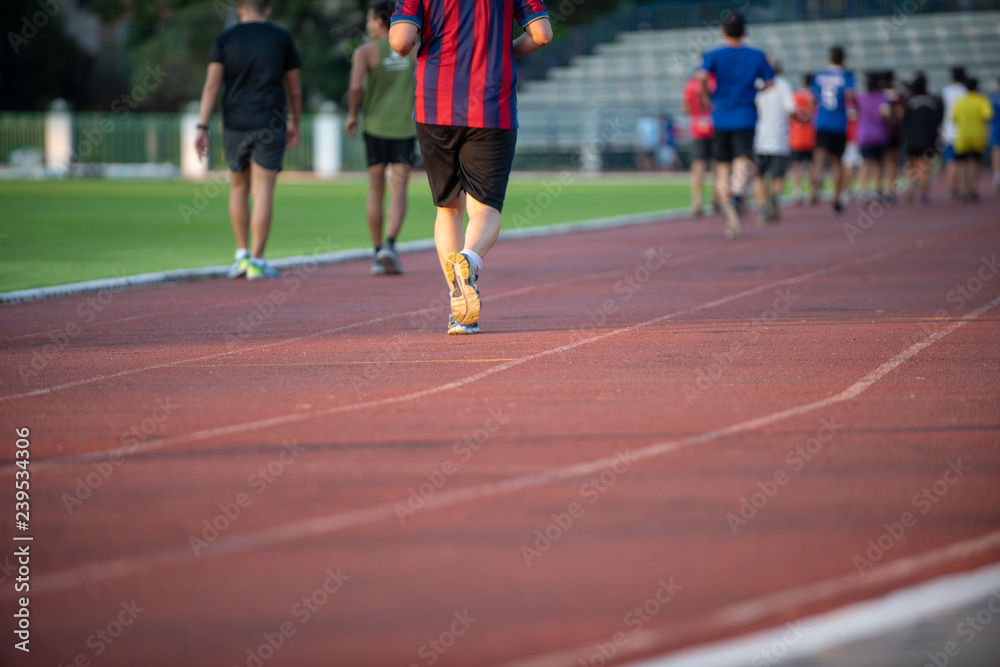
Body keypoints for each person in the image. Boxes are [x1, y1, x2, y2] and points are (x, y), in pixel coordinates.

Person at [389, 0, 552, 335]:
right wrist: (501, 50)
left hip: (436, 106)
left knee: (448, 209)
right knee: (486, 209)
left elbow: (401, 41)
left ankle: (459, 305)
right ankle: (471, 260)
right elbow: (542, 34)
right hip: (492, 107)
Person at [195, 0, 302, 281]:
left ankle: (240, 256)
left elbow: (212, 85)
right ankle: (257, 261)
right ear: (267, 10)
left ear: (241, 10)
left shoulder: (225, 39)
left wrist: (201, 125)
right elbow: (295, 89)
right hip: (271, 121)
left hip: (235, 122)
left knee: (238, 187)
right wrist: (295, 122)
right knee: (263, 190)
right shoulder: (281, 38)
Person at [346, 0, 416, 276]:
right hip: (405, 128)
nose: (367, 25)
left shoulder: (365, 52)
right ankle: (390, 245)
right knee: (399, 188)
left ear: (379, 21)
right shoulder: (413, 48)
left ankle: (377, 251)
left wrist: (353, 115)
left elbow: (354, 87)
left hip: (375, 127)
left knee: (376, 189)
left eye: (369, 19)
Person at [698, 12, 775, 240]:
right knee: (744, 159)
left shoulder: (714, 54)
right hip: (745, 113)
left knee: (722, 165)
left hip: (721, 114)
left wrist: (707, 97)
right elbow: (770, 82)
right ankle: (736, 194)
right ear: (745, 31)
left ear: (723, 31)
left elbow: (701, 77)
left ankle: (727, 207)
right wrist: (755, 91)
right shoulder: (758, 55)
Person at [810, 45, 855, 215]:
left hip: (821, 121)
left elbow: (813, 99)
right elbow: (851, 95)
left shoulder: (819, 76)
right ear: (843, 59)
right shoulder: (846, 75)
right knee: (837, 162)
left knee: (819, 157)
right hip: (838, 123)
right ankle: (836, 200)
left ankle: (816, 184)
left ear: (829, 58)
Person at [752, 57, 794, 223]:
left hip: (759, 137)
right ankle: (774, 198)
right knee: (778, 176)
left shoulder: (756, 85)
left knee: (759, 176)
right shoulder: (783, 85)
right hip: (779, 138)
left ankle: (764, 207)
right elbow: (791, 110)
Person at [901, 74, 943, 204]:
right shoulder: (933, 101)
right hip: (928, 138)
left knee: (911, 166)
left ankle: (911, 190)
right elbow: (938, 120)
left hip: (912, 138)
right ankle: (923, 194)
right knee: (925, 166)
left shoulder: (910, 101)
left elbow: (904, 121)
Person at [952, 78, 994, 203]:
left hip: (962, 136)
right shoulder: (981, 100)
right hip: (977, 136)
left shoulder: (960, 101)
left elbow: (954, 118)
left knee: (961, 163)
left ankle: (962, 188)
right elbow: (988, 116)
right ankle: (973, 188)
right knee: (975, 162)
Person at [682, 67, 716, 216]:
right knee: (718, 164)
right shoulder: (715, 81)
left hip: (698, 127)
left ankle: (697, 200)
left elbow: (685, 108)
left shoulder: (691, 84)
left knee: (698, 164)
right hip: (716, 125)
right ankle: (717, 196)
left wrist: (697, 113)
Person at [855, 72, 892, 202]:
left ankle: (863, 191)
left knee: (865, 163)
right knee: (878, 164)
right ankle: (877, 190)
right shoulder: (882, 97)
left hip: (864, 135)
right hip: (879, 135)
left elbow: (853, 113)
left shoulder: (861, 98)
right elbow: (886, 114)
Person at [789, 73, 817, 205]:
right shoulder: (815, 97)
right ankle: (812, 191)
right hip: (811, 136)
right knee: (811, 166)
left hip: (796, 136)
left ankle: (797, 191)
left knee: (797, 166)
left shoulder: (795, 96)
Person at [941, 66, 968, 201]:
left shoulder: (946, 92)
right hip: (964, 131)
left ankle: (953, 189)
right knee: (963, 162)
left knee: (951, 161)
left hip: (948, 132)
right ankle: (965, 188)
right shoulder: (966, 92)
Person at [990, 77, 1000, 193]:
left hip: (996, 129)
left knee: (996, 153)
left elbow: (989, 116)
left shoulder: (994, 98)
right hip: (996, 129)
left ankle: (997, 176)